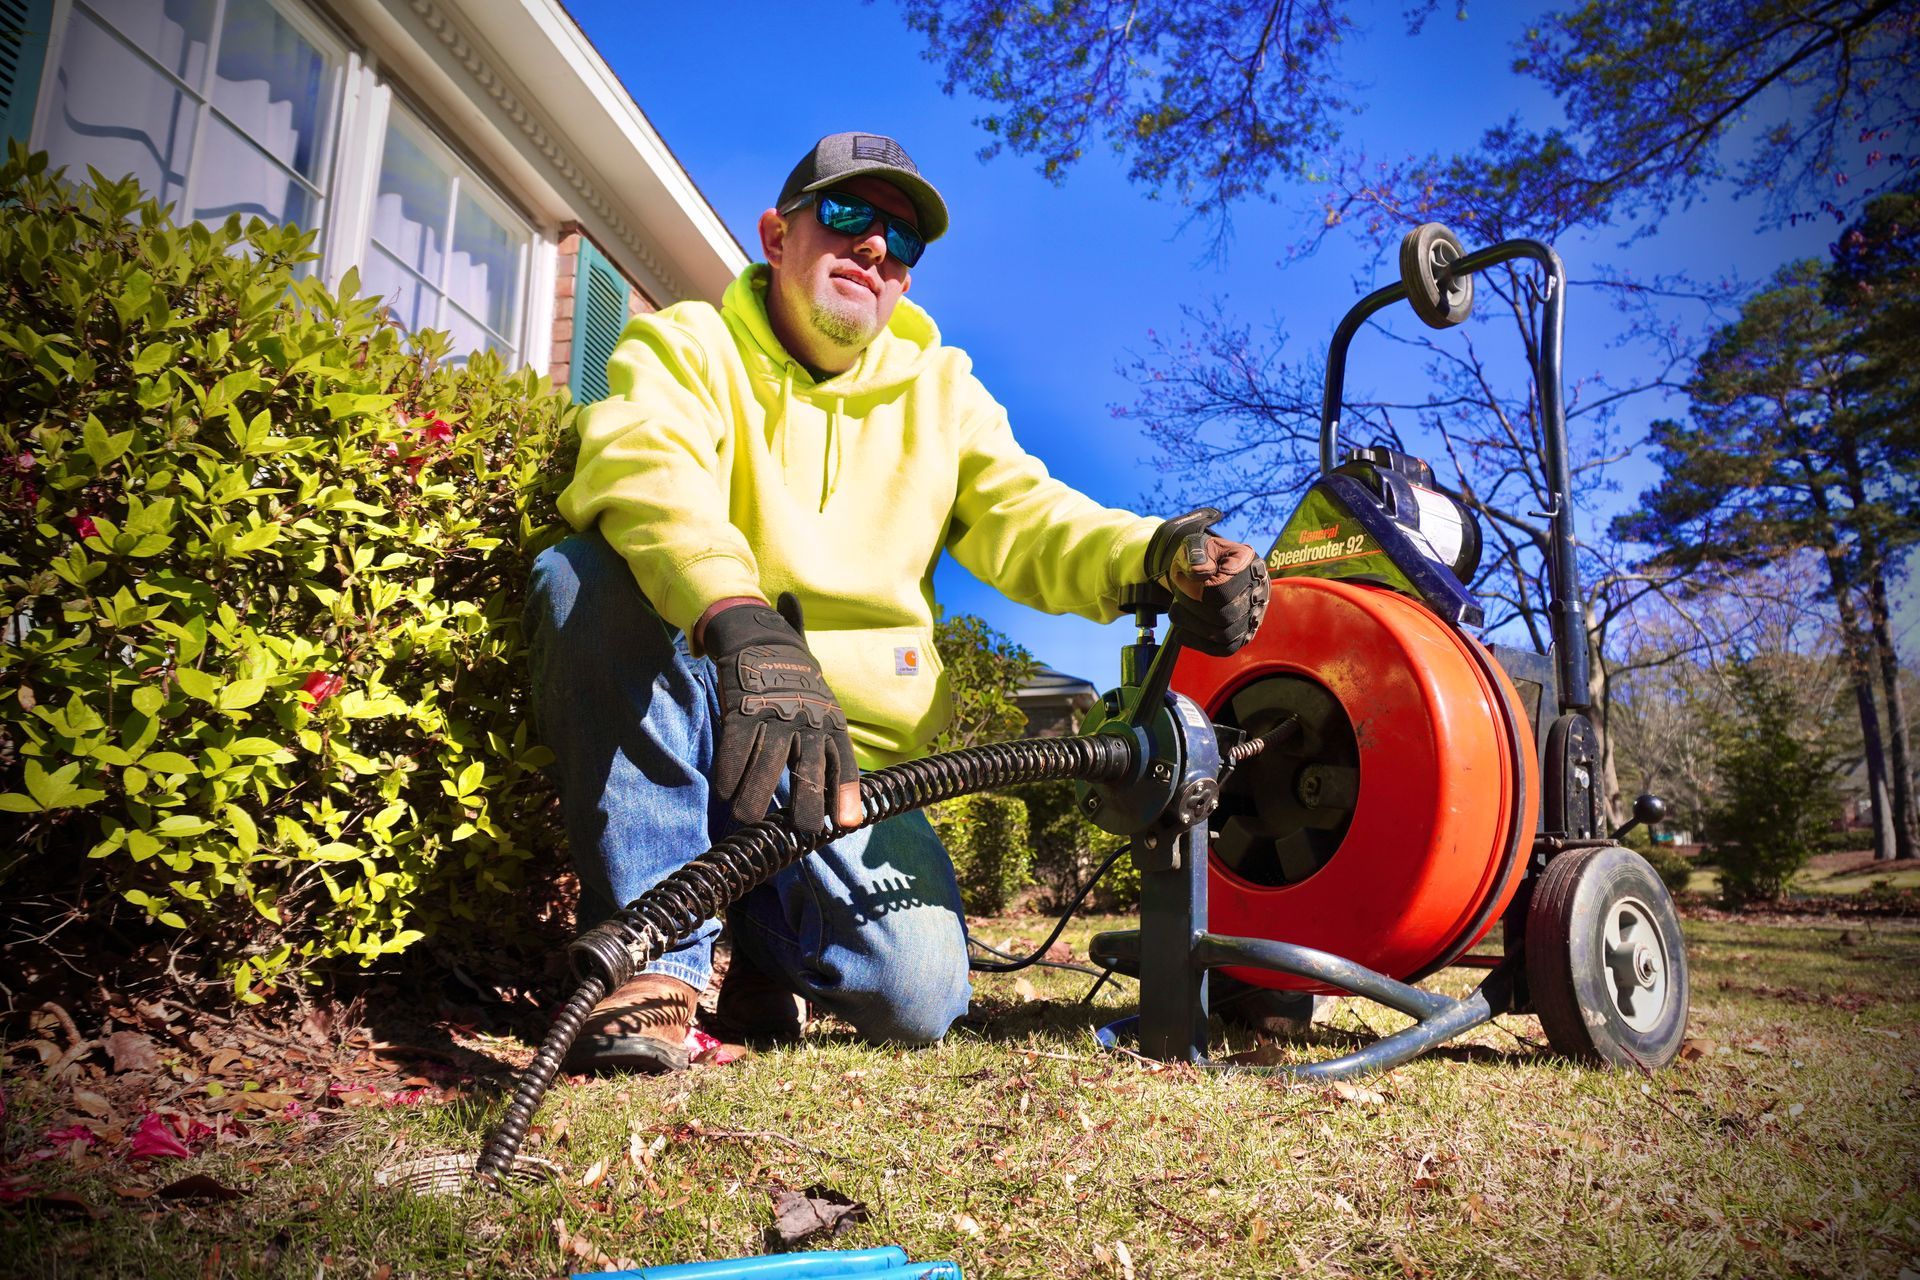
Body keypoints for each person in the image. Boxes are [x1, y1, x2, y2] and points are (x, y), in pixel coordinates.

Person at [528, 132, 1268, 1073]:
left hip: (849, 764)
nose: (874, 247)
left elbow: (1032, 519)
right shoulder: (686, 347)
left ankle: (761, 943)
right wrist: (739, 616)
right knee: (580, 576)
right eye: (845, 216)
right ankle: (655, 970)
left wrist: (1159, 554)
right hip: (705, 701)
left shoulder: (943, 394)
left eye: (902, 239)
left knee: (917, 998)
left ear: (906, 282)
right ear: (776, 235)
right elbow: (644, 472)